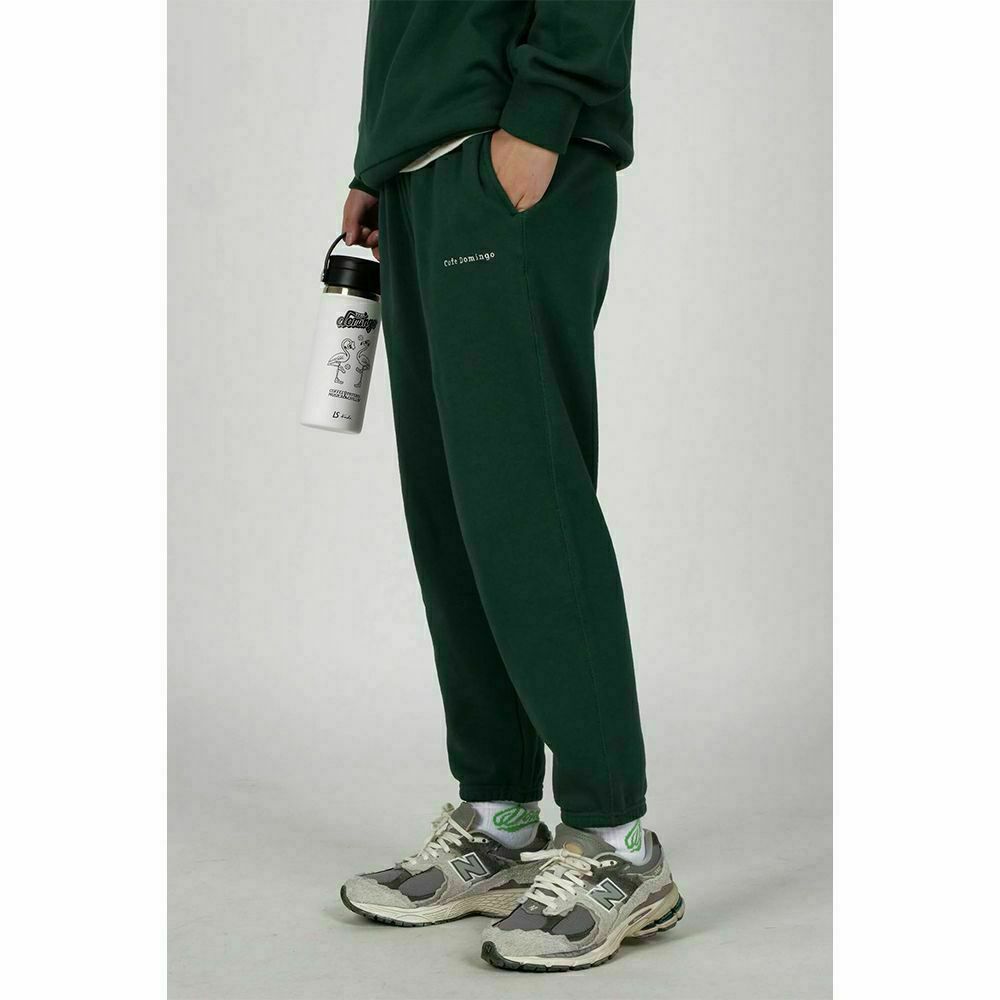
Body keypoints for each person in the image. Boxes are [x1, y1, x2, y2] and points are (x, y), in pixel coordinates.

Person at [337, 0, 683, 971]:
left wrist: (544, 112)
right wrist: (376, 156)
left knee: (525, 499)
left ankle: (615, 838)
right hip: (418, 168)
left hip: (508, 148)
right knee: (451, 506)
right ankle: (498, 817)